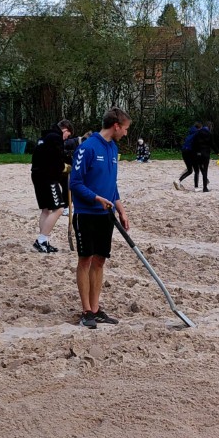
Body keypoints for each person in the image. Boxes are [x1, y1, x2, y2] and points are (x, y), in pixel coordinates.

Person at [68, 107, 131, 329]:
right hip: (86, 214)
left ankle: (96, 309)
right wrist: (96, 198)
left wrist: (121, 209)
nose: (126, 133)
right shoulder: (87, 148)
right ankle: (86, 311)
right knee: (85, 260)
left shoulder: (113, 148)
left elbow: (112, 184)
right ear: (116, 126)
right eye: (125, 129)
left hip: (107, 215)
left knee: (100, 260)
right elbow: (75, 183)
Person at [32, 119, 73, 253]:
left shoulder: (44, 137)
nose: (66, 138)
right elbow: (57, 160)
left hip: (37, 175)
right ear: (65, 129)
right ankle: (41, 240)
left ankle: (43, 241)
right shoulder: (56, 138)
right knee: (59, 209)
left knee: (46, 210)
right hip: (48, 177)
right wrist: (66, 167)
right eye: (67, 135)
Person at [174, 123, 201, 191]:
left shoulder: (190, 134)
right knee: (197, 170)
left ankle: (178, 181)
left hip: (184, 152)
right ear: (199, 128)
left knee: (190, 170)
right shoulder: (197, 134)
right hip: (191, 152)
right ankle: (196, 188)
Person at [192, 123, 213, 192]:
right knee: (205, 170)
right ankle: (205, 188)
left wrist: (195, 152)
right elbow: (212, 143)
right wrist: (218, 152)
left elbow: (194, 143)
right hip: (206, 154)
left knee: (199, 169)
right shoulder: (209, 134)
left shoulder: (197, 133)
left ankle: (196, 186)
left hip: (198, 154)